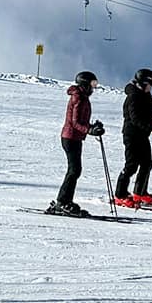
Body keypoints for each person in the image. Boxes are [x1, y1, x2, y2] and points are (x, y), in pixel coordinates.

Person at [49, 71, 105, 215]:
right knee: (74, 170)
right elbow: (75, 123)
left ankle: (65, 200)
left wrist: (92, 127)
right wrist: (90, 130)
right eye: (92, 84)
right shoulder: (79, 98)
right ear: (85, 84)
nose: (94, 88)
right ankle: (62, 202)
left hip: (75, 137)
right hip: (70, 137)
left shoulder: (82, 97)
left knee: (75, 170)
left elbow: (81, 121)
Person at [114, 68, 152, 207]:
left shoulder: (146, 95)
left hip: (142, 135)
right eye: (150, 84)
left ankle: (140, 192)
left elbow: (147, 116)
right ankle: (120, 195)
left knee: (146, 164)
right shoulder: (134, 96)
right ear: (143, 83)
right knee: (131, 166)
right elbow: (136, 118)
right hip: (131, 135)